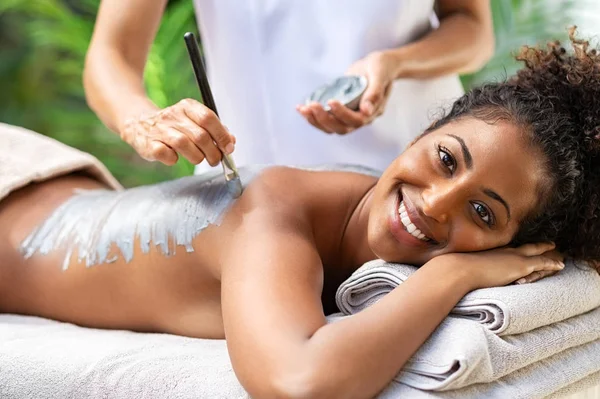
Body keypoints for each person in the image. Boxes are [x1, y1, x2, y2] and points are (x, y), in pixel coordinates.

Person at [2, 31, 598, 398]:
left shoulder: (352, 221)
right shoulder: (272, 212)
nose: (434, 203)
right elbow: (299, 384)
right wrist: (452, 276)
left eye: (482, 212)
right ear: (423, 131)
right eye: (445, 158)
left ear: (513, 245)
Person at [83, 0, 494, 173]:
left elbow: (473, 28)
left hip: (420, 180)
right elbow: (111, 53)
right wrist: (141, 120)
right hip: (259, 198)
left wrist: (396, 63)